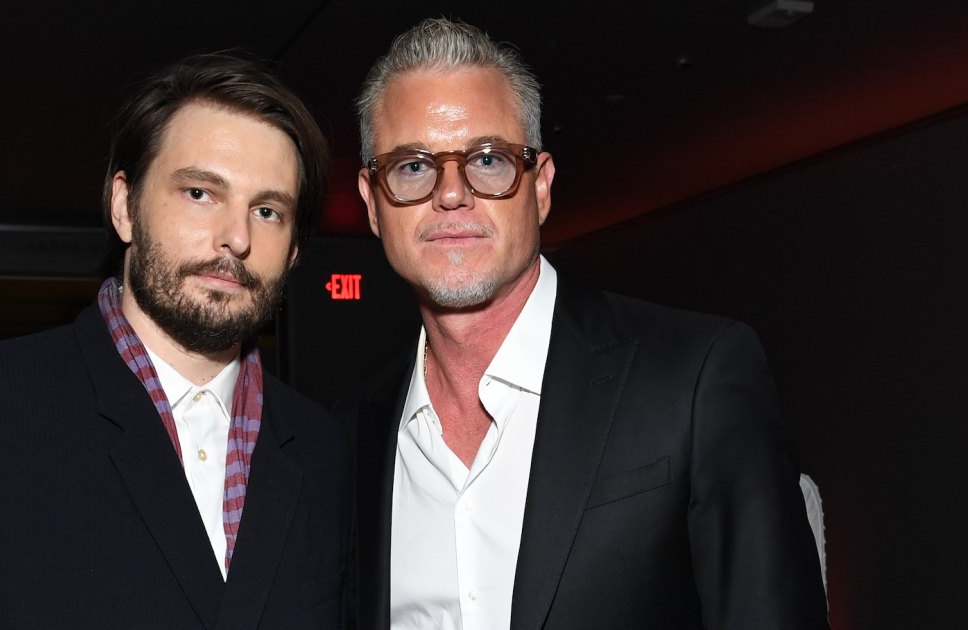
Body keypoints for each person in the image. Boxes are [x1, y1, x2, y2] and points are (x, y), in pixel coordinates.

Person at [345, 18, 829, 629]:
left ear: (541, 187)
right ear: (372, 202)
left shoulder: (696, 378)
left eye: (488, 159)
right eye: (413, 166)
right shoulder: (353, 436)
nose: (451, 194)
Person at [0, 54, 350, 629]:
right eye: (199, 193)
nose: (235, 237)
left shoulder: (322, 451)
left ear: (293, 252)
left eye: (266, 210)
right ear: (124, 207)